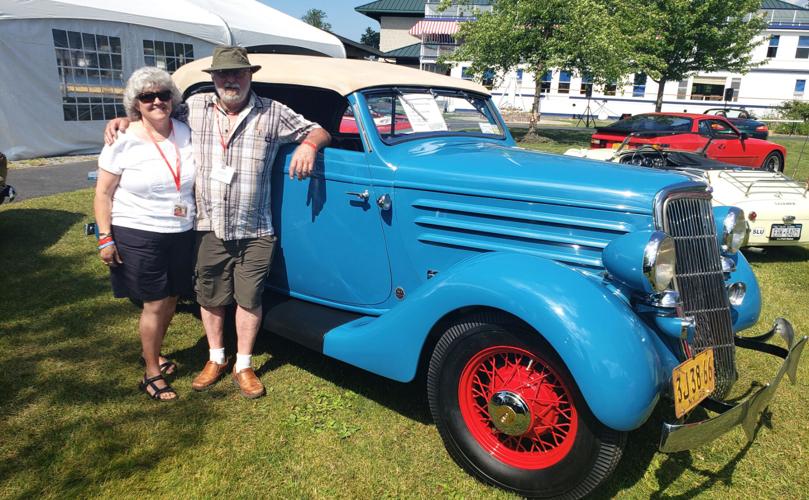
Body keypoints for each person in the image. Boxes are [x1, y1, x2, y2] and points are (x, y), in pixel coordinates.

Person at [105, 46, 330, 399]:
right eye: (223, 74)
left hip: (255, 226)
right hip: (208, 223)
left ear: (249, 75)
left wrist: (309, 146)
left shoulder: (272, 111)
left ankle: (243, 364)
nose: (230, 80)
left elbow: (317, 129)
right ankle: (216, 357)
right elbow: (154, 111)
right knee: (210, 296)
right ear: (213, 78)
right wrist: (125, 120)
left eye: (238, 73)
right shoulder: (193, 107)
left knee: (249, 298)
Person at [95, 67, 196, 401]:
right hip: (138, 230)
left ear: (172, 99)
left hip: (181, 229)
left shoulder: (186, 130)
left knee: (170, 298)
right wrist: (105, 237)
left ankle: (153, 351)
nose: (156, 101)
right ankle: (151, 373)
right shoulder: (121, 138)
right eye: (146, 97)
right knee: (153, 302)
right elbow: (103, 194)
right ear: (135, 103)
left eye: (163, 95)